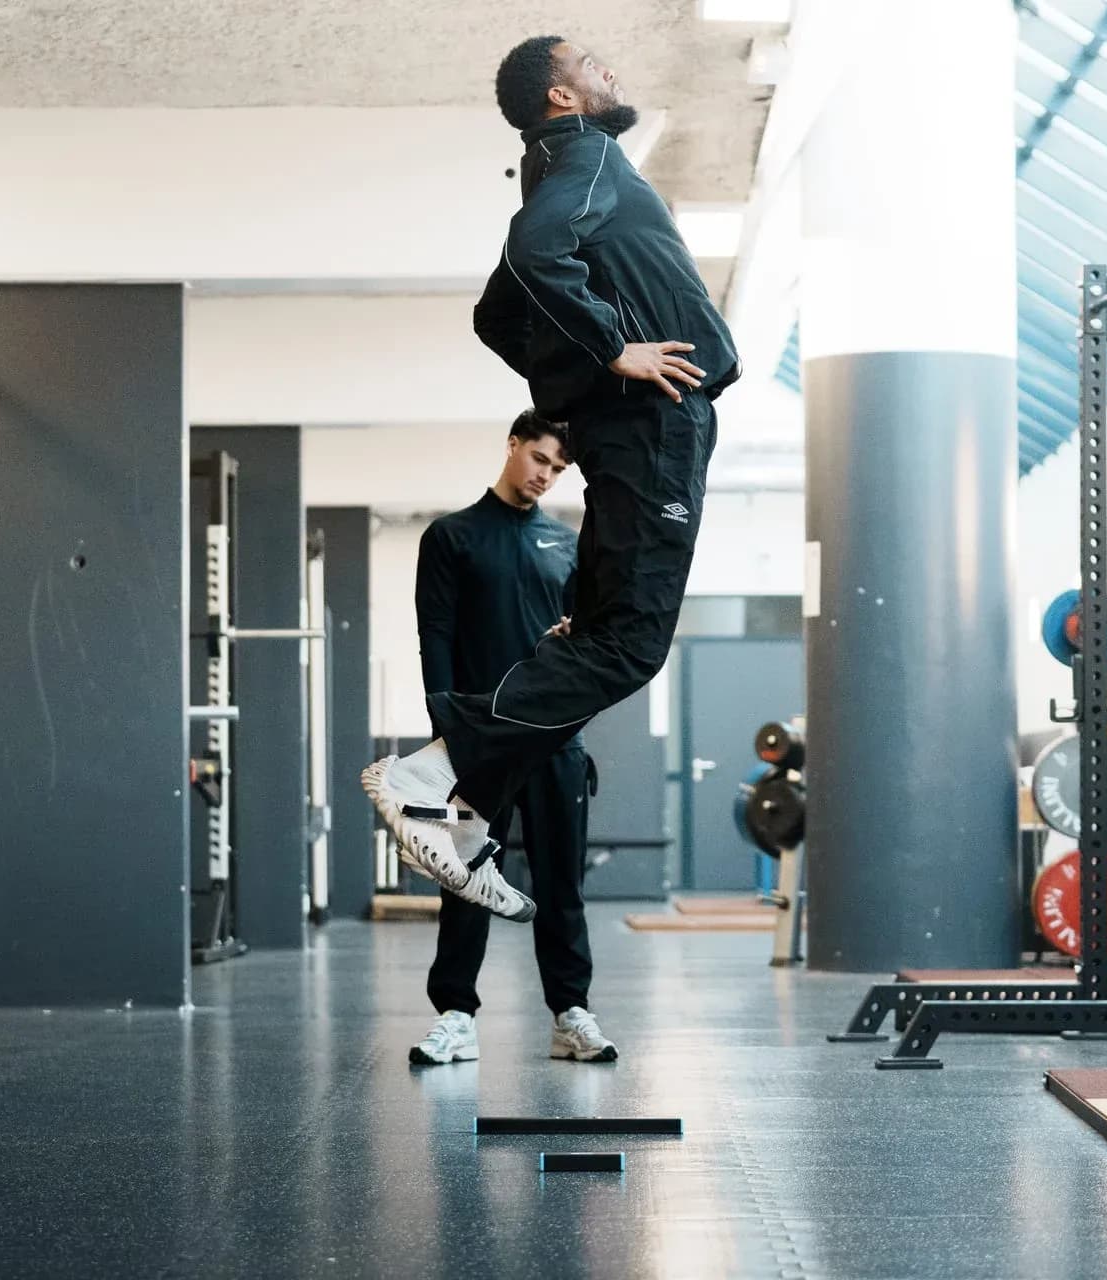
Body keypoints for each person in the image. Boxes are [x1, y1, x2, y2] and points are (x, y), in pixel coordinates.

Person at [363, 35, 740, 922]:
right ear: (563, 99)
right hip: (655, 426)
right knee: (629, 644)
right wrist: (613, 354)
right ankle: (433, 774)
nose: (610, 67)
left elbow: (498, 315)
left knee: (591, 636)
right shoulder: (588, 157)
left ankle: (459, 811)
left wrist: (581, 392)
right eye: (592, 62)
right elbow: (534, 258)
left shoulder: (554, 170)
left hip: (625, 429)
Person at [407, 412, 614, 1066]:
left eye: (557, 469)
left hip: (554, 744)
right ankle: (456, 1015)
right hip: (481, 744)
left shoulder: (565, 543)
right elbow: (435, 636)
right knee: (463, 877)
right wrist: (449, 735)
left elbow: (588, 640)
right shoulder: (452, 537)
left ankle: (570, 1014)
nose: (545, 475)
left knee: (561, 884)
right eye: (540, 458)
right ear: (513, 445)